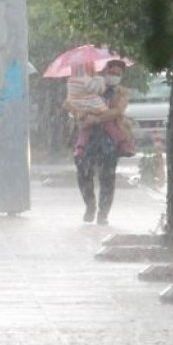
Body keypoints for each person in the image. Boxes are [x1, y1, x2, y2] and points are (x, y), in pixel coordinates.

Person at [66, 59, 133, 225]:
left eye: (118, 74)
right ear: (104, 72)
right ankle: (90, 205)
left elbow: (117, 111)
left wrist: (97, 119)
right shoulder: (90, 86)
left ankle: (103, 213)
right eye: (111, 73)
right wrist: (82, 115)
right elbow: (70, 104)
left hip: (109, 139)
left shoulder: (122, 93)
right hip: (87, 137)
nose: (114, 77)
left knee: (107, 178)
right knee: (83, 174)